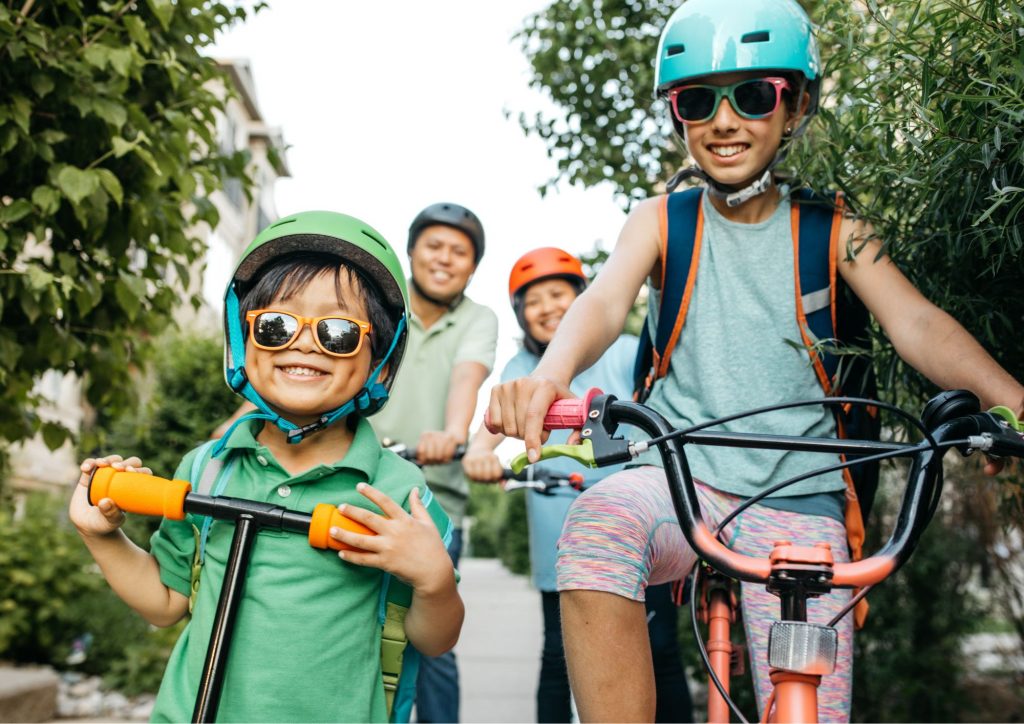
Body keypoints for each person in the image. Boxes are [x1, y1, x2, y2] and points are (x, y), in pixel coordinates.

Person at [484, 1, 1024, 721]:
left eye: (754, 95)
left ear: (794, 105)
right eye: (698, 100)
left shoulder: (834, 227)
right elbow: (605, 301)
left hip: (802, 492)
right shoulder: (660, 222)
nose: (725, 120)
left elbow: (915, 321)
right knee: (600, 524)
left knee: (809, 706)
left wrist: (1007, 398)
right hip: (678, 481)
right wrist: (549, 376)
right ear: (677, 115)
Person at [69, 211, 463, 723]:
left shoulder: (394, 489)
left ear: (380, 361)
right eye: (277, 325)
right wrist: (101, 536)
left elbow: (433, 640)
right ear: (243, 338)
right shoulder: (209, 470)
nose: (303, 341)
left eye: (338, 331)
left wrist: (435, 581)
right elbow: (166, 601)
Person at [461, 247, 693, 723]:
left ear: (581, 300)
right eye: (534, 300)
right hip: (558, 533)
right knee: (556, 659)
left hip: (640, 526)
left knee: (661, 649)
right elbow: (491, 427)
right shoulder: (522, 371)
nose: (547, 307)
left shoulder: (628, 353)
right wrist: (480, 456)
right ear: (520, 315)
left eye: (558, 294)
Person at [371, 202, 498, 723]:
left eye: (459, 252)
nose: (444, 259)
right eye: (434, 246)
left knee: (429, 643)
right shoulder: (377, 298)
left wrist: (452, 432)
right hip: (354, 481)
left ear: (472, 267)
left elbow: (467, 377)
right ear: (411, 251)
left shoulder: (478, 319)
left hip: (432, 502)